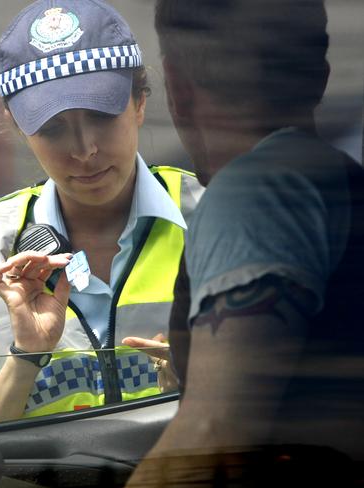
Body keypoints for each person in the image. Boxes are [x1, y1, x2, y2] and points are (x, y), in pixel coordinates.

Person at [127, 0, 364, 484]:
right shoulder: (335, 180)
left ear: (176, 86)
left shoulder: (255, 190)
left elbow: (212, 436)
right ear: (319, 73)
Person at [0, 0, 202, 424]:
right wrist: (25, 357)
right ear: (18, 128)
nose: (84, 150)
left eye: (101, 116)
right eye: (53, 128)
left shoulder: (212, 216)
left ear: (140, 102)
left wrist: (206, 387)